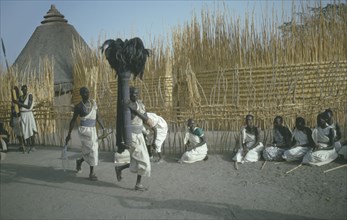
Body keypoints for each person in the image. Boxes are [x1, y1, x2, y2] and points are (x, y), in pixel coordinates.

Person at [115, 87, 151, 191]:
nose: (134, 95)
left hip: (140, 135)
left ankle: (120, 168)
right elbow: (123, 123)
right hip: (132, 136)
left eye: (136, 93)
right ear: (128, 94)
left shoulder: (138, 105)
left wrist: (134, 110)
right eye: (131, 93)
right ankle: (138, 184)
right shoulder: (126, 108)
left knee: (136, 161)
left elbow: (145, 118)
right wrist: (123, 139)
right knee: (144, 162)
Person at [65, 87, 105, 181]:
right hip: (84, 131)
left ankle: (79, 161)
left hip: (93, 130)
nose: (87, 94)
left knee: (89, 151)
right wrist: (69, 134)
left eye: (88, 92)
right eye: (84, 93)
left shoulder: (93, 104)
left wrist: (104, 128)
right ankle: (92, 173)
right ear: (81, 94)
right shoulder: (78, 106)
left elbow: (97, 117)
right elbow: (73, 121)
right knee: (92, 150)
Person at [12, 85, 37, 153]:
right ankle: (28, 146)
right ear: (22, 90)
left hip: (28, 114)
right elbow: (17, 105)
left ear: (27, 89)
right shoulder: (20, 97)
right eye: (23, 90)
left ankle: (33, 146)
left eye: (25, 89)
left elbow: (28, 106)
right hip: (23, 115)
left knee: (30, 130)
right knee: (25, 131)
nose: (25, 91)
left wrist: (17, 102)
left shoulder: (30, 95)